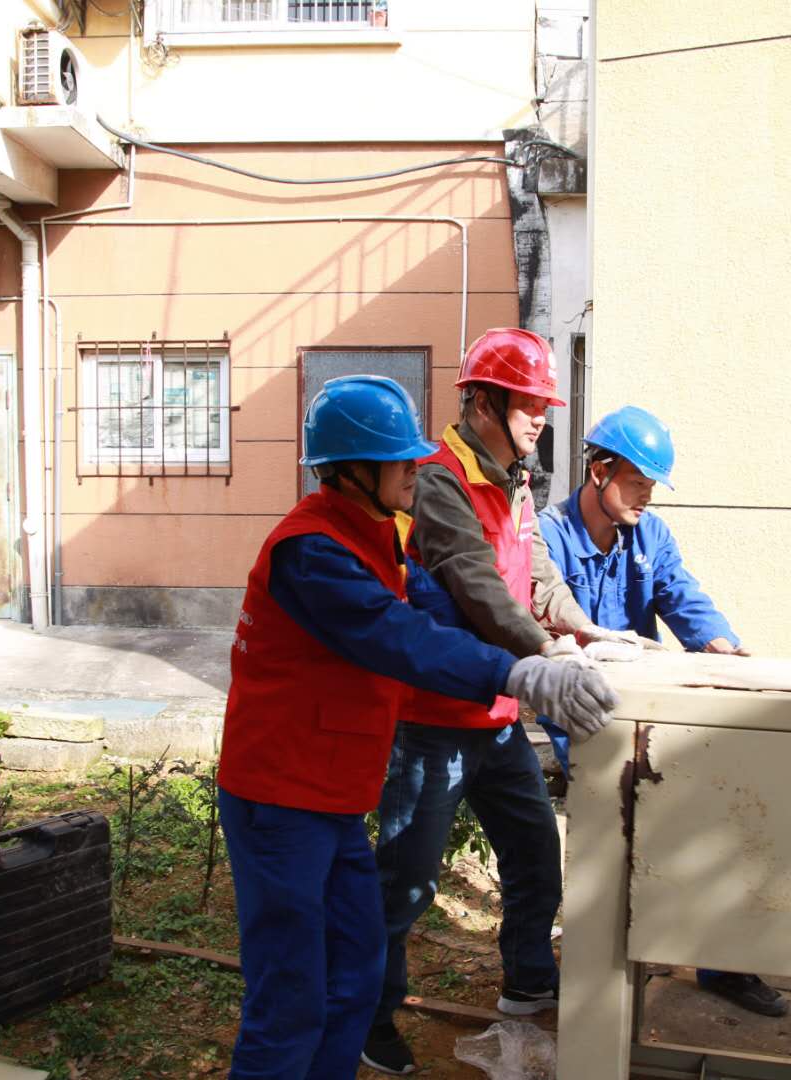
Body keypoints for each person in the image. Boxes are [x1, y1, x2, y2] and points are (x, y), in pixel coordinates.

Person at [217, 374, 618, 1080]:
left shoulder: (372, 533)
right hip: (280, 801)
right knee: (291, 996)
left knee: (355, 973)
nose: (415, 467)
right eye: (398, 459)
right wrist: (517, 673)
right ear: (350, 471)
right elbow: (400, 637)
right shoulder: (312, 551)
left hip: (331, 797)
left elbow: (434, 605)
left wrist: (557, 645)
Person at [363, 329, 642, 1075]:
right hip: (432, 720)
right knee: (405, 883)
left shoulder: (514, 478)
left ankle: (527, 984)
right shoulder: (439, 478)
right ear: (482, 403)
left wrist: (582, 628)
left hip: (494, 716)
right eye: (528, 404)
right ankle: (368, 1015)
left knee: (533, 854)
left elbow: (535, 571)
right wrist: (546, 653)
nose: (541, 419)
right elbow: (474, 580)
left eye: (544, 406)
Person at [536, 404, 790, 1022]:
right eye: (638, 482)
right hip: (580, 717)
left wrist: (723, 648)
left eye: (653, 485)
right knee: (608, 839)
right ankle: (589, 974)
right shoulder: (548, 536)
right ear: (599, 471)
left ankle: (721, 961)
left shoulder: (650, 537)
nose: (647, 496)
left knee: (713, 816)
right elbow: (546, 622)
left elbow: (683, 596)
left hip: (646, 713)